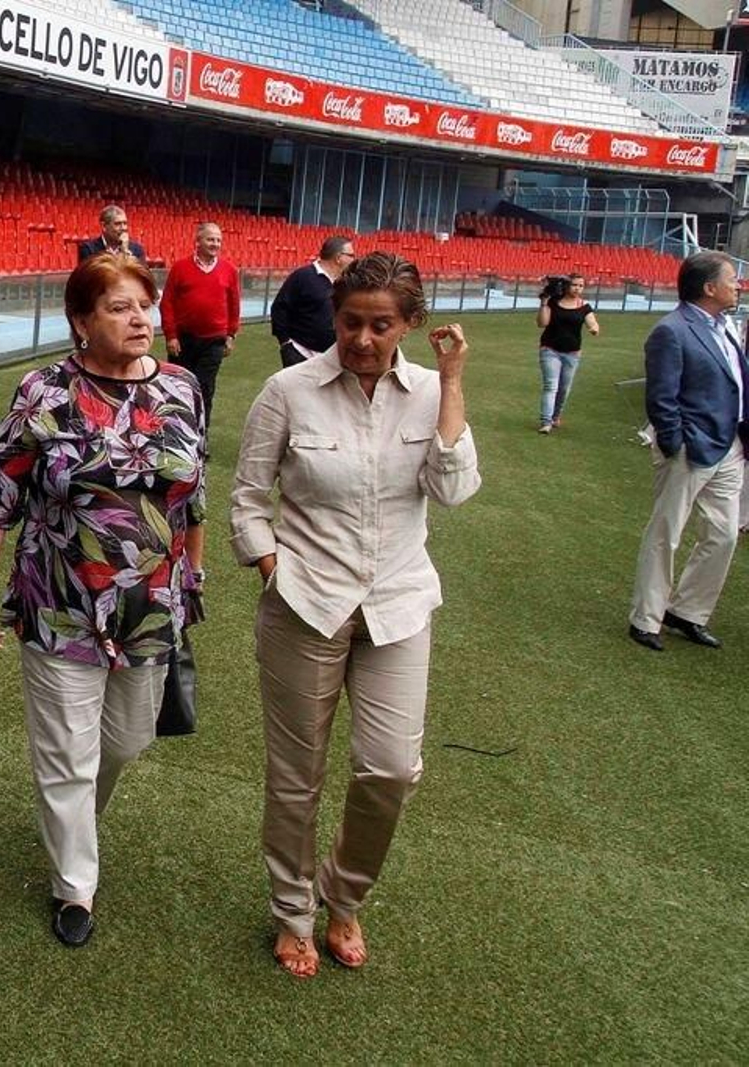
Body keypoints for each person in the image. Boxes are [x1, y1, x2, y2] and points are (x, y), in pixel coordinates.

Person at [231, 251, 480, 979]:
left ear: (409, 324)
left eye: (380, 325)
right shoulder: (289, 389)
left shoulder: (433, 390)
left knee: (392, 767)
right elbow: (249, 494)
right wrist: (271, 565)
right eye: (350, 322)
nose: (362, 339)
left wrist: (455, 384)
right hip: (304, 604)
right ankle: (292, 912)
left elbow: (455, 487)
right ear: (333, 317)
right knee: (296, 774)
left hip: (399, 604)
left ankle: (345, 896)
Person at [0, 253, 207, 949]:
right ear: (80, 321)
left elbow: (195, 494)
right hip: (59, 598)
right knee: (67, 755)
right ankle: (75, 885)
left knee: (127, 739)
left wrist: (195, 576)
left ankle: (74, 820)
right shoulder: (44, 391)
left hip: (152, 605)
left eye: (143, 304)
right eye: (118, 307)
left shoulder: (184, 388)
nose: (138, 319)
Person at [627, 251, 746, 652]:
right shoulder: (672, 331)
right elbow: (661, 398)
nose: (739, 285)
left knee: (725, 533)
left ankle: (688, 612)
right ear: (709, 287)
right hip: (690, 446)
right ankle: (646, 618)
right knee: (667, 531)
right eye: (732, 279)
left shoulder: (725, 327)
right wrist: (676, 442)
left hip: (730, 445)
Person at [160, 221, 241, 416]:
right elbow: (167, 303)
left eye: (218, 240)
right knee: (178, 387)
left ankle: (200, 436)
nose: (215, 244)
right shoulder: (180, 268)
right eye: (210, 239)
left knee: (205, 387)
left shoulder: (229, 270)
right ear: (197, 241)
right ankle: (178, 431)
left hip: (214, 340)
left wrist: (231, 335)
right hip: (183, 339)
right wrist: (171, 336)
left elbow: (234, 304)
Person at [270, 235, 355, 368]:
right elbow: (280, 308)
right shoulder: (302, 277)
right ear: (338, 258)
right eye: (351, 255)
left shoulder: (345, 283)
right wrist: (285, 343)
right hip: (299, 354)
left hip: (331, 358)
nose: (354, 259)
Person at [535, 273, 600, 433]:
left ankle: (556, 416)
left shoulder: (584, 306)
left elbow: (593, 323)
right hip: (550, 350)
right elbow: (542, 323)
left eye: (580, 285)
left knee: (564, 388)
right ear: (566, 286)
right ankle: (546, 422)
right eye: (574, 285)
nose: (577, 288)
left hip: (572, 353)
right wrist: (544, 303)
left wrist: (594, 328)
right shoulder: (553, 303)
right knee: (551, 386)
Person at [77, 204, 147, 263]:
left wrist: (125, 252)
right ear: (104, 226)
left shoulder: (136, 250)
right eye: (117, 224)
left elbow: (140, 277)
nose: (123, 228)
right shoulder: (89, 250)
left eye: (125, 223)